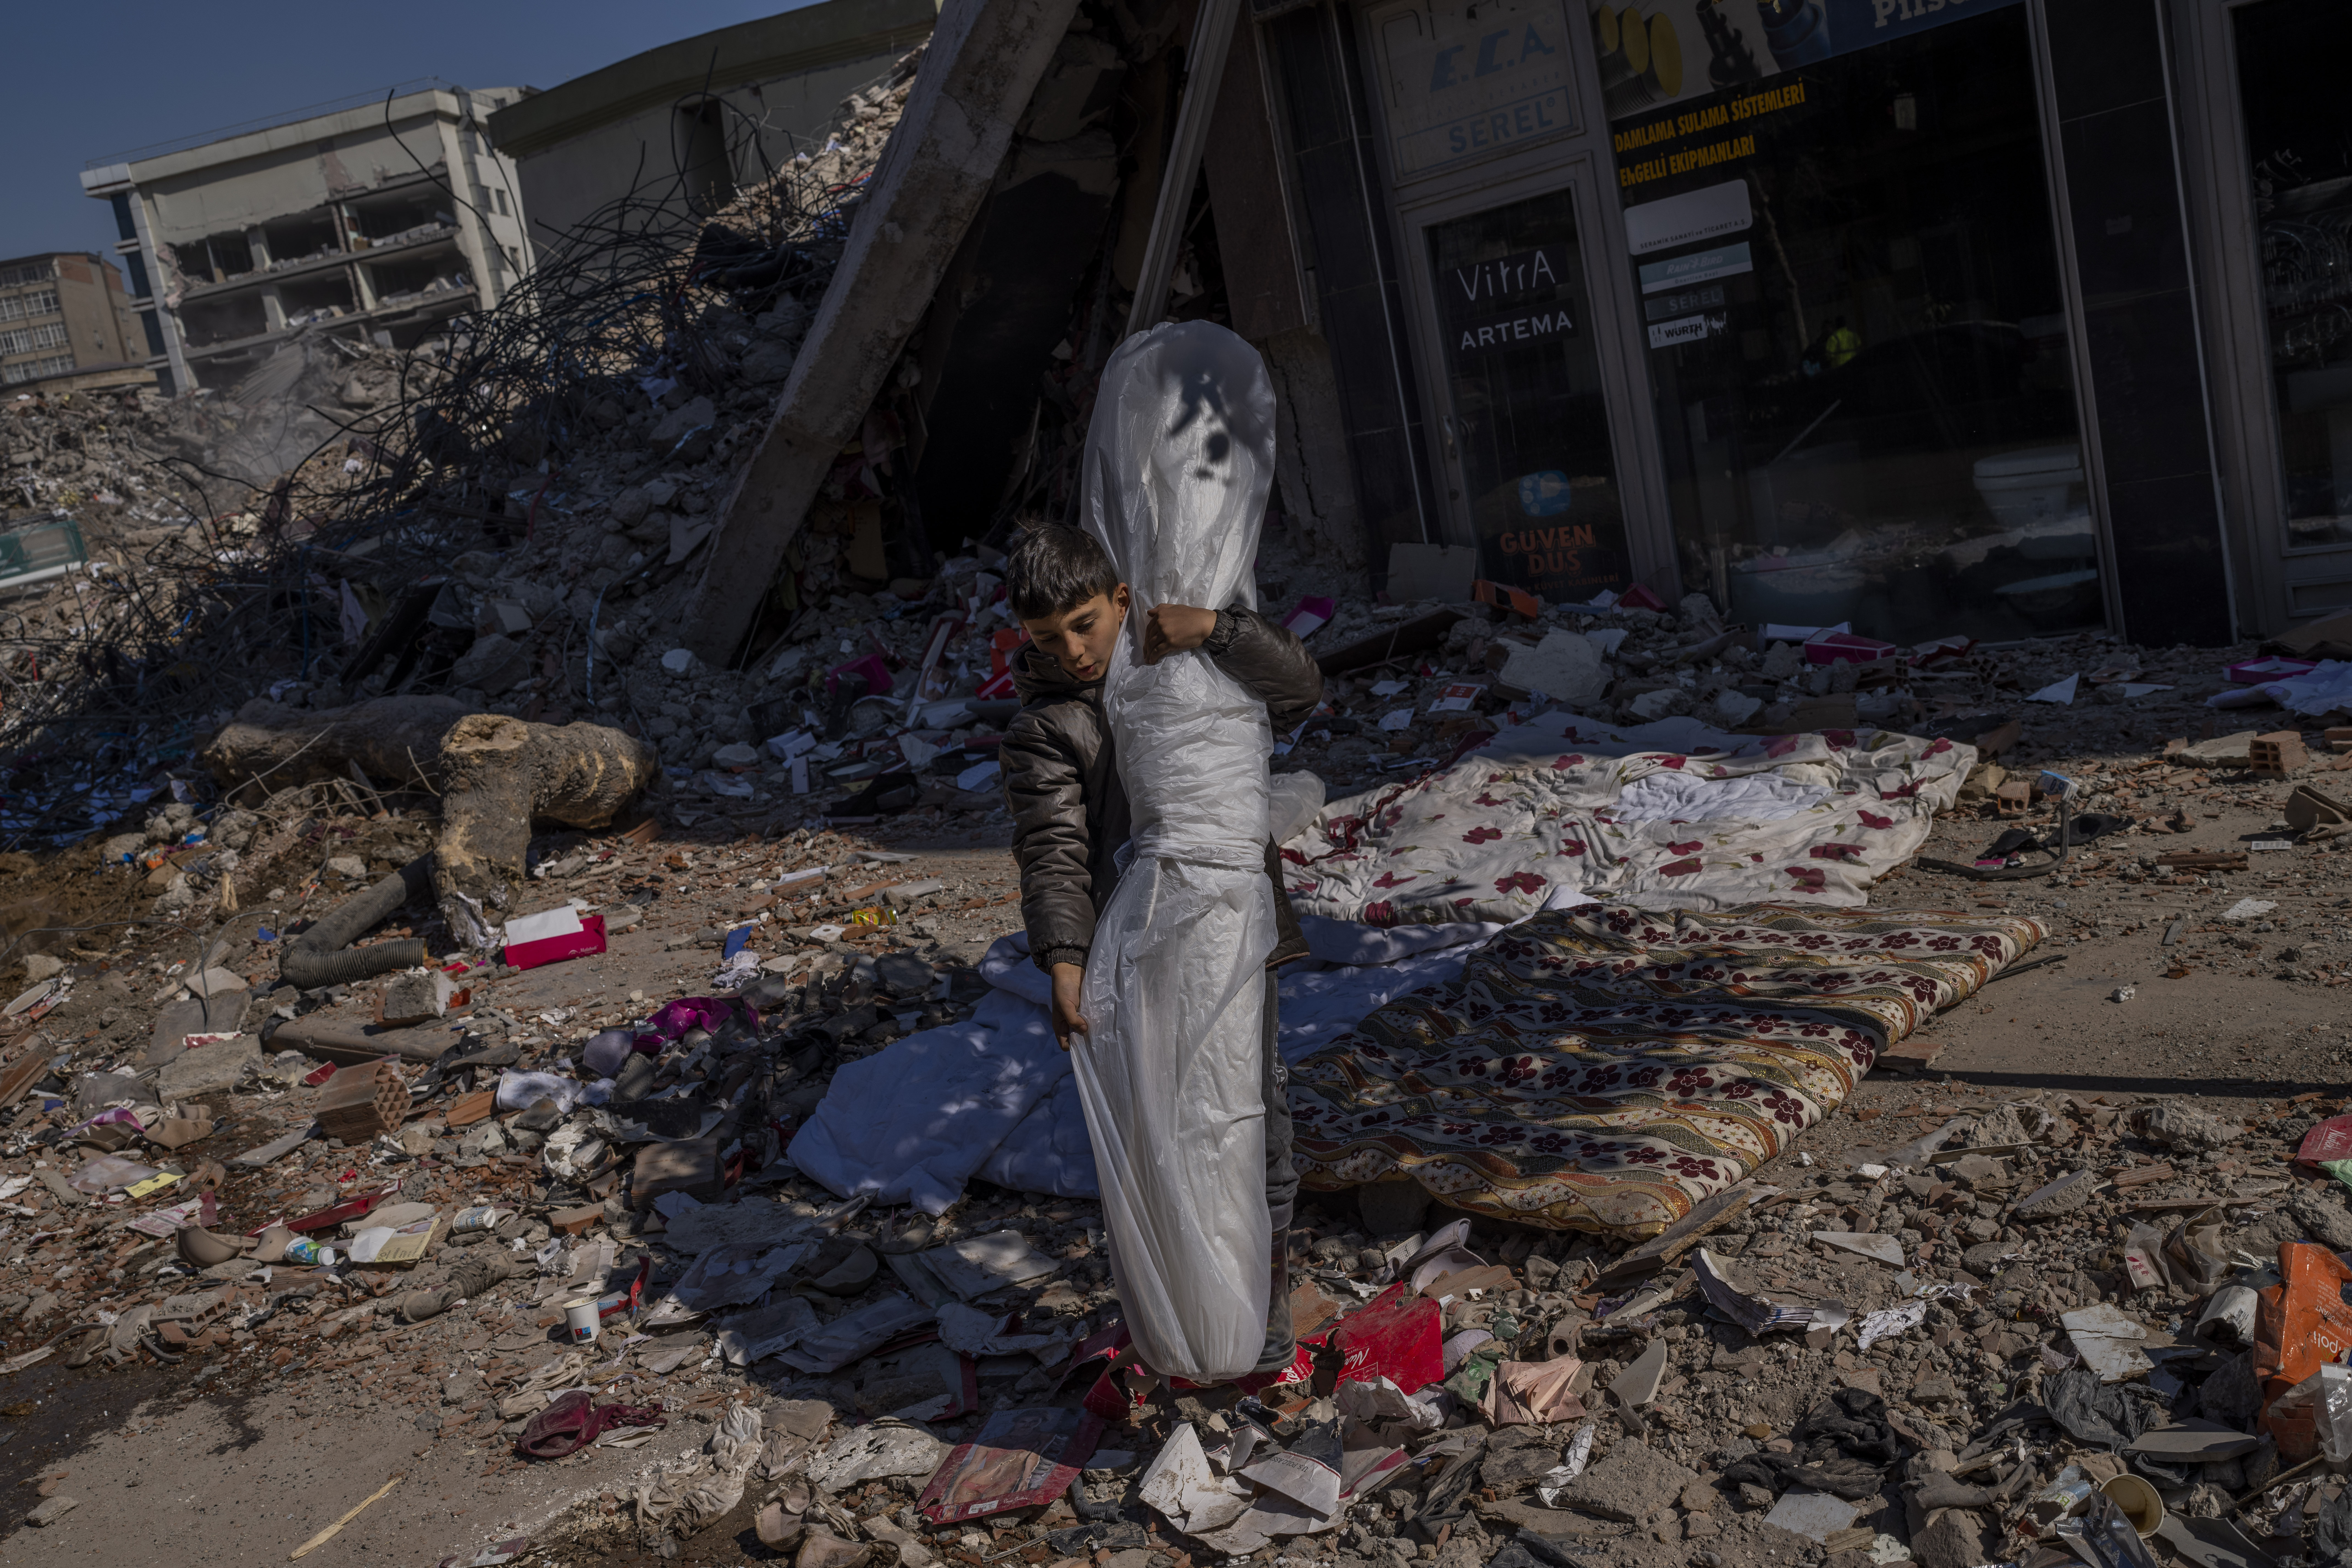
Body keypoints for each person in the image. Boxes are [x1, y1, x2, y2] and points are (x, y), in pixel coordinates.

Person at [997, 521, 1322, 1377]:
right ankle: (1189, 1320)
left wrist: (1217, 630)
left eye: (1083, 624)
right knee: (1165, 1139)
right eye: (1045, 638)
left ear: (1120, 601)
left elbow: (1298, 691)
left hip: (1228, 938)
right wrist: (1064, 959)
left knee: (1256, 1132)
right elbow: (1055, 853)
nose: (1071, 651)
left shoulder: (1184, 666)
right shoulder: (1049, 729)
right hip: (1132, 956)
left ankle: (1262, 1338)